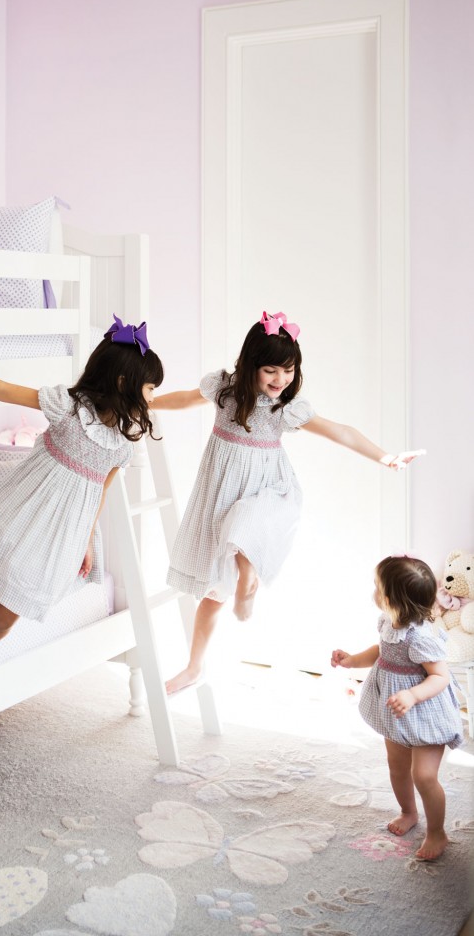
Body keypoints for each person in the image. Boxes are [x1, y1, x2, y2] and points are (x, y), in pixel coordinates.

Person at [152, 311, 424, 695]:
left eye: (289, 370)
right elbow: (183, 399)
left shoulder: (285, 409)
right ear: (250, 367)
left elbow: (340, 432)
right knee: (213, 594)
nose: (281, 380)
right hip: (221, 491)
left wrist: (385, 457)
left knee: (244, 524)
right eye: (271, 371)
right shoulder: (224, 390)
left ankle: (249, 581)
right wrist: (147, 404)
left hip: (268, 490)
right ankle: (195, 667)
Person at [0, 315, 163, 701]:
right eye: (150, 387)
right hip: (13, 517)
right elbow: (1, 389)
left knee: (6, 618)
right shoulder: (69, 407)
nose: (153, 397)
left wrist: (88, 543)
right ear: (124, 383)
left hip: (55, 542)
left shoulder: (123, 444)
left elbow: (100, 495)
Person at [331, 555, 463, 860]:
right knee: (397, 767)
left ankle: (437, 832)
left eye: (376, 586)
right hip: (396, 713)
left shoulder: (421, 637)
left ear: (388, 598)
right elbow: (380, 651)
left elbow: (440, 677)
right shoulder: (388, 621)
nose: (373, 591)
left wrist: (414, 695)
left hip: (426, 713)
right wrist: (352, 660)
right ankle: (408, 812)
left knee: (424, 776)